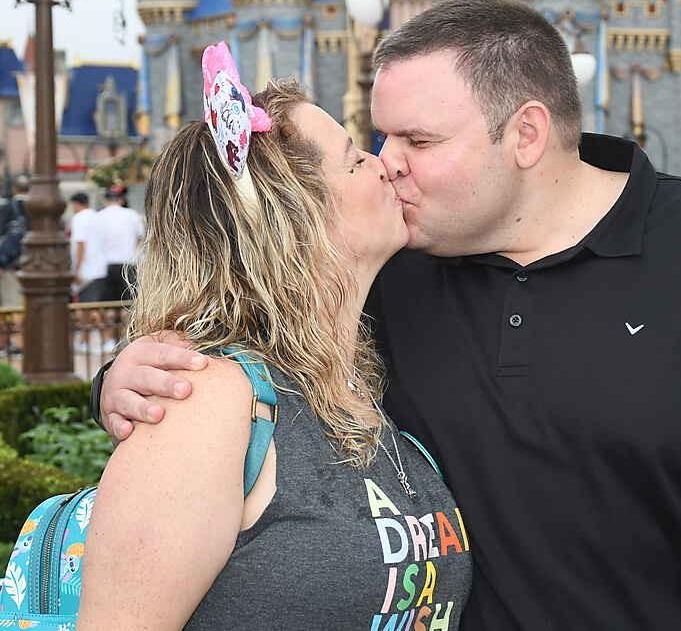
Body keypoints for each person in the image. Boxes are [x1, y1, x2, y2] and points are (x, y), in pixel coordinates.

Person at [97, 0, 681, 628]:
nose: (389, 162)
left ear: (526, 134)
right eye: (376, 139)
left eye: (418, 141)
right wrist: (125, 378)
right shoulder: (393, 279)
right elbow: (249, 332)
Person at [77, 47, 471, 629]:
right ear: (296, 214)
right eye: (354, 160)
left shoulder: (354, 377)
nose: (383, 164)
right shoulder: (206, 401)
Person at [95, 185, 144, 301]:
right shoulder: (133, 215)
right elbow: (141, 239)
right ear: (121, 199)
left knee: (107, 304)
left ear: (105, 200)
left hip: (105, 265)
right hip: (128, 263)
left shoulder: (98, 216)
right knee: (129, 302)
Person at [0, 175, 30, 307]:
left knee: (11, 304)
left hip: (9, 264)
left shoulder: (5, 208)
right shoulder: (38, 208)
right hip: (34, 264)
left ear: (14, 189)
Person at [68, 192, 109, 303]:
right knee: (95, 305)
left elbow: (81, 244)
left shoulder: (79, 218)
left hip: (86, 271)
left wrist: (77, 270)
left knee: (86, 307)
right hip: (100, 268)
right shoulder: (97, 216)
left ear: (76, 204)